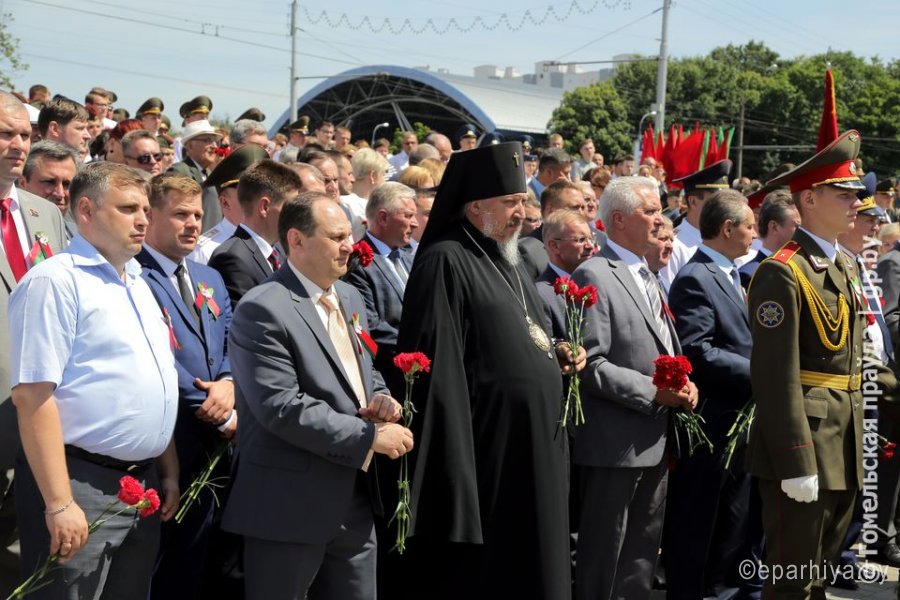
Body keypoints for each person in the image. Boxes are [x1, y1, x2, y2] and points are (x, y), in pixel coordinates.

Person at [394, 142, 583, 599]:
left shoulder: (508, 254)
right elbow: (439, 373)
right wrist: (455, 474)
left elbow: (521, 330)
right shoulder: (445, 260)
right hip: (489, 452)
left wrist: (555, 351)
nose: (522, 213)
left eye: (523, 201)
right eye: (510, 202)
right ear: (475, 206)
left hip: (534, 445)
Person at [221, 191, 412, 600]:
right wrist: (370, 437)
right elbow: (280, 406)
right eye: (337, 237)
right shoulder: (263, 308)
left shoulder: (348, 296)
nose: (350, 246)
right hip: (289, 505)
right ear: (297, 240)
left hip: (354, 499)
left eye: (349, 235)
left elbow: (363, 368)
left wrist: (382, 399)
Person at [10, 161, 179, 598]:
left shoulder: (137, 281)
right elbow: (33, 397)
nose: (143, 220)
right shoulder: (56, 281)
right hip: (79, 483)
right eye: (128, 208)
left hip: (140, 486)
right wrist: (59, 502)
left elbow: (153, 382)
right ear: (85, 210)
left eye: (145, 210)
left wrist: (168, 471)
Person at [746, 130, 868, 598]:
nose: (857, 203)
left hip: (843, 442)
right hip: (808, 446)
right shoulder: (783, 270)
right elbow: (775, 377)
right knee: (791, 580)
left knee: (818, 576)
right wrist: (795, 459)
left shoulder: (844, 265)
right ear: (810, 199)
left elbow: (854, 362)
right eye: (845, 194)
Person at [572, 175, 698, 600]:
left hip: (653, 437)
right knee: (606, 553)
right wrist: (653, 391)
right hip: (615, 443)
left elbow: (661, 346)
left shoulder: (647, 273)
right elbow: (590, 363)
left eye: (660, 210)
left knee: (641, 552)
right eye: (650, 211)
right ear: (619, 220)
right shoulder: (594, 272)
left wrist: (684, 384)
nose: (660, 219)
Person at [135, 173, 235, 599]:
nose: (193, 223)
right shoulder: (134, 275)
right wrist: (218, 410)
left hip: (215, 441)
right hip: (168, 440)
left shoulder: (208, 276)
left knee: (197, 562)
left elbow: (230, 340)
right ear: (151, 215)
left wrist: (229, 384)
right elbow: (155, 355)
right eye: (180, 214)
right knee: (159, 564)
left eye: (196, 214)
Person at [664, 189, 756, 600]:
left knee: (732, 521)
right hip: (712, 424)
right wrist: (760, 373)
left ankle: (722, 591)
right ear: (728, 228)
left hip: (738, 420)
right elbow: (697, 350)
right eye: (750, 226)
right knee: (699, 522)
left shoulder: (734, 275)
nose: (755, 234)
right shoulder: (696, 277)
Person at [0, 92, 69, 597]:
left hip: (43, 411)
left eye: (25, 134)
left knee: (25, 560)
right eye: (6, 133)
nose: (18, 144)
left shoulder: (44, 212)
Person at [345, 182, 417, 377]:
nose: (415, 223)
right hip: (390, 374)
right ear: (383, 218)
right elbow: (369, 325)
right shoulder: (358, 262)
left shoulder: (410, 258)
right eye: (408, 216)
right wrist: (417, 351)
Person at [208, 160, 301, 306]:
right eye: (290, 207)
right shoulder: (232, 258)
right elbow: (247, 316)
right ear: (264, 207)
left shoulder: (279, 251)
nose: (296, 215)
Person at [659, 160, 733, 291]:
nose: (724, 207)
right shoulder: (675, 246)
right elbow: (670, 296)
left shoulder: (725, 240)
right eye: (716, 201)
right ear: (693, 202)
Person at [189, 145, 269, 264]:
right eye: (247, 194)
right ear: (225, 203)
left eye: (263, 191)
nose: (260, 200)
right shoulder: (205, 251)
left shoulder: (274, 240)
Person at [169, 120, 223, 232]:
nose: (214, 146)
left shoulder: (210, 173)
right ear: (190, 146)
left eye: (215, 142)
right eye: (207, 140)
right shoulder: (179, 171)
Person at [739, 190, 800, 287]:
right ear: (774, 226)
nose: (802, 232)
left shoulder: (800, 266)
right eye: (797, 226)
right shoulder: (751, 274)